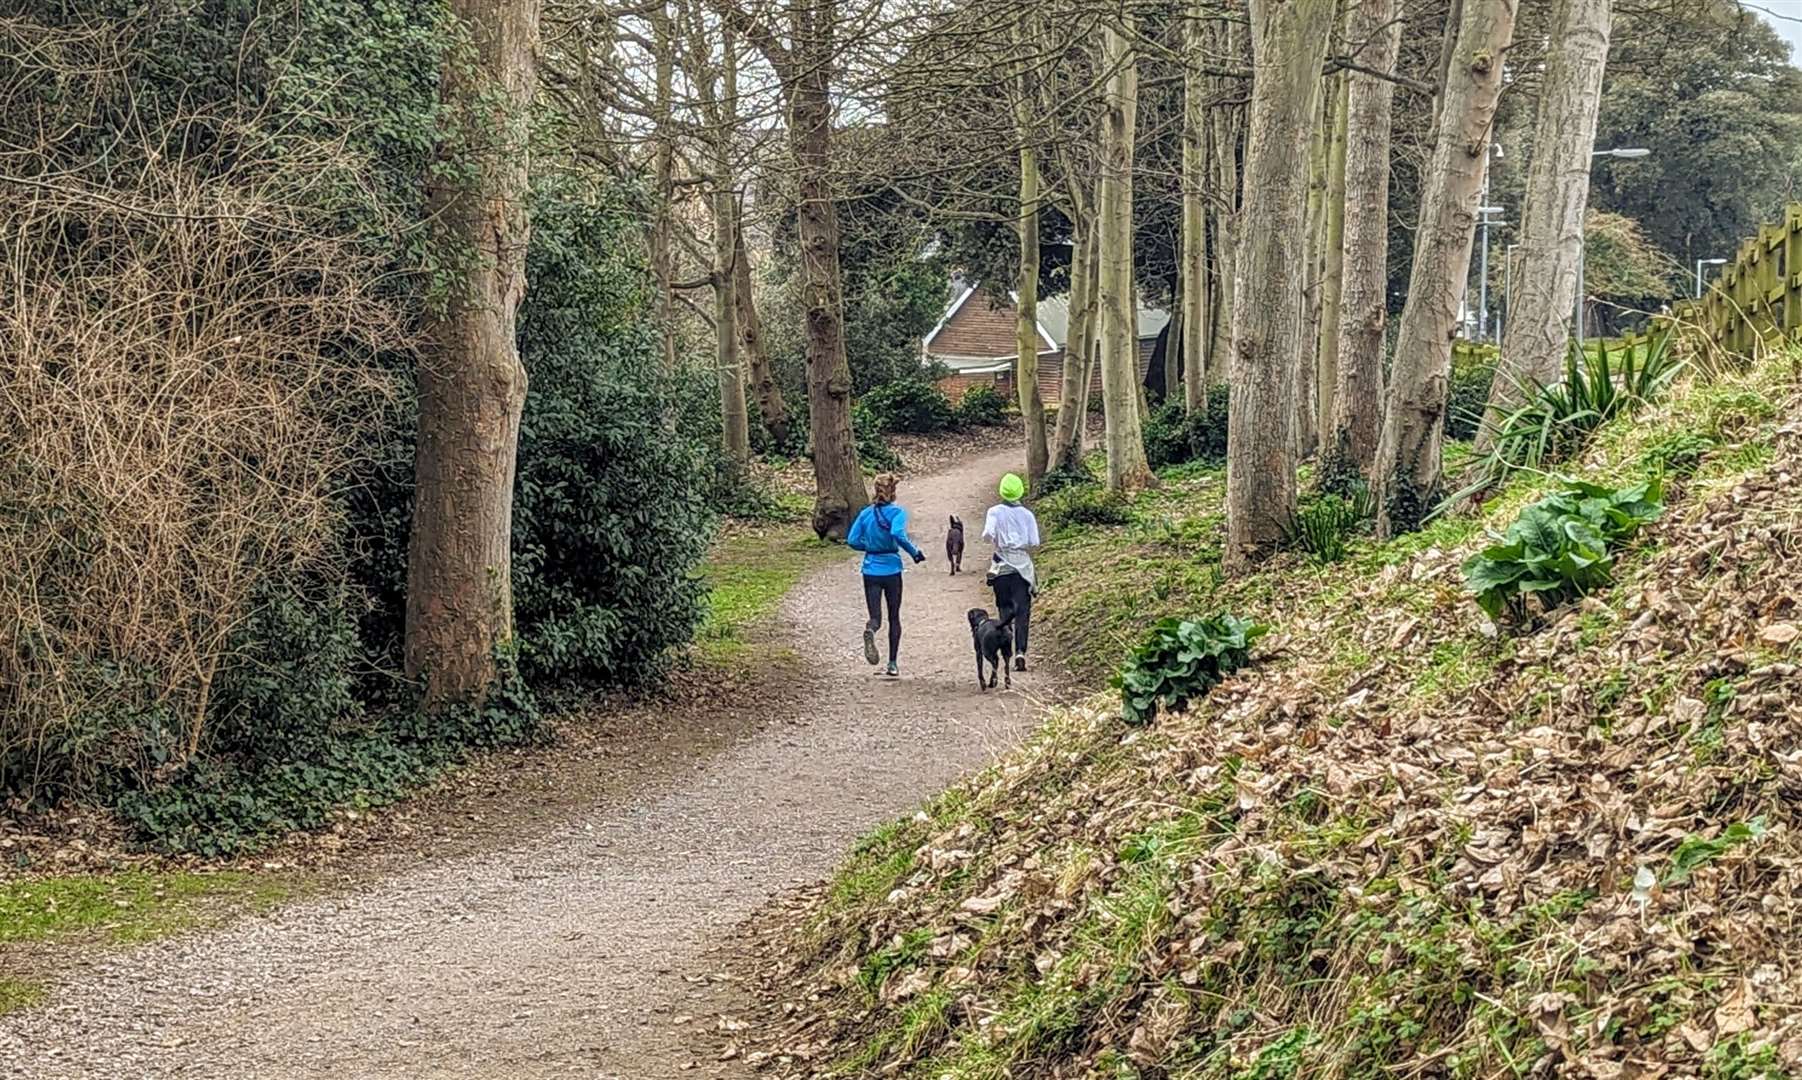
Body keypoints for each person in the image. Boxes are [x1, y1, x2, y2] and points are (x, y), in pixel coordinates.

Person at [845, 473, 925, 676]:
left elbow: (852, 540)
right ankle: (892, 663)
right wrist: (914, 553)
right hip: (892, 569)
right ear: (893, 492)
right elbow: (897, 534)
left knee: (876, 617)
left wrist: (870, 546)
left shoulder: (865, 514)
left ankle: (871, 630)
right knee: (894, 617)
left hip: (871, 569)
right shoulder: (897, 513)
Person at [983, 472, 1041, 671]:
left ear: (1002, 491)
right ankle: (1020, 653)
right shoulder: (1027, 515)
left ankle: (1005, 648)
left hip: (1001, 567)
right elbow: (1034, 542)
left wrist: (998, 540)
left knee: (1005, 611)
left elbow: (987, 534)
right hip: (1022, 568)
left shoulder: (994, 512)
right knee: (1022, 612)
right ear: (1020, 492)